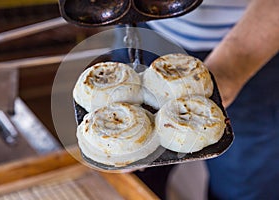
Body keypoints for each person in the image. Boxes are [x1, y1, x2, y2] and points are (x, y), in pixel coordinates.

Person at [113, 0, 279, 199]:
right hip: (142, 26)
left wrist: (230, 69)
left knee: (242, 187)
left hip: (253, 37)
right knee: (137, 178)